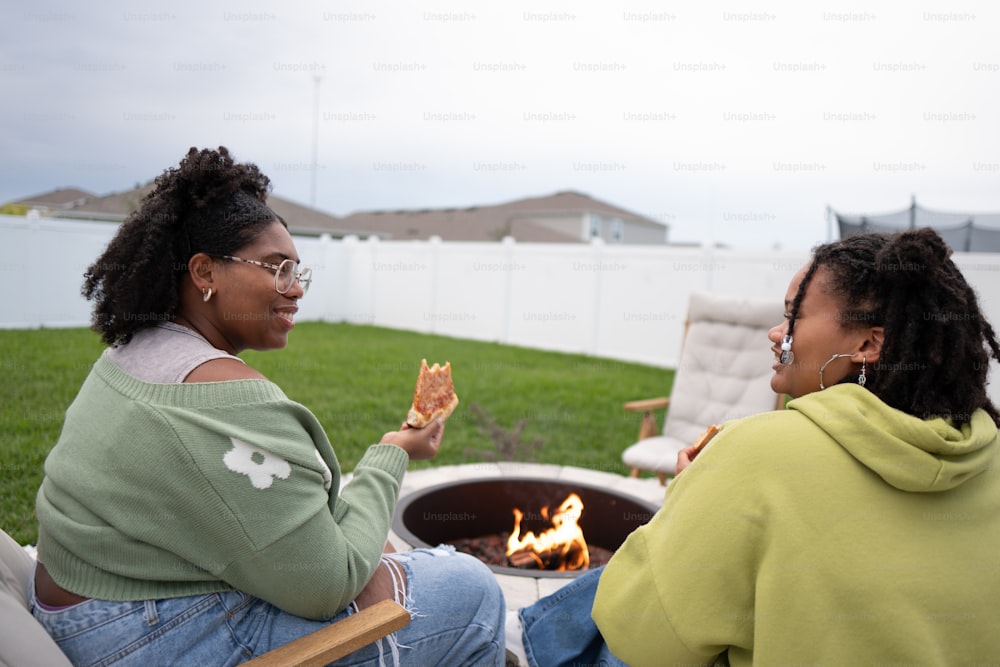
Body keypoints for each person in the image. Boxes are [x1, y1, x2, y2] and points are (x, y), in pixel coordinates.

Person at [31, 147, 506, 666]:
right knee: (471, 589)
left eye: (298, 272)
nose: (296, 289)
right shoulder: (223, 399)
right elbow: (329, 582)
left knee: (395, 556)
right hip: (136, 637)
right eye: (277, 269)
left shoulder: (132, 354)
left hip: (80, 612)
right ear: (205, 272)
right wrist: (393, 451)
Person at [518, 228, 1000, 666]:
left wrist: (688, 507)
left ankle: (522, 643)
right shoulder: (990, 456)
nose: (777, 334)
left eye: (793, 316)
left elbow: (640, 640)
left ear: (869, 344)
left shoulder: (754, 452)